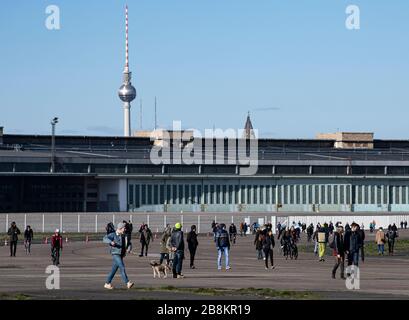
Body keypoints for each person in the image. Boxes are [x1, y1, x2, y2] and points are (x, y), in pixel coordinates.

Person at [103, 222, 134, 290]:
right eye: (124, 228)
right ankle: (127, 282)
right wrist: (111, 242)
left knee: (113, 270)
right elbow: (104, 238)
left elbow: (129, 243)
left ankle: (107, 283)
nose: (125, 229)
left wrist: (129, 249)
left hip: (121, 255)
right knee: (122, 267)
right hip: (115, 254)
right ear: (120, 228)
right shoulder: (113, 235)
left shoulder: (124, 235)